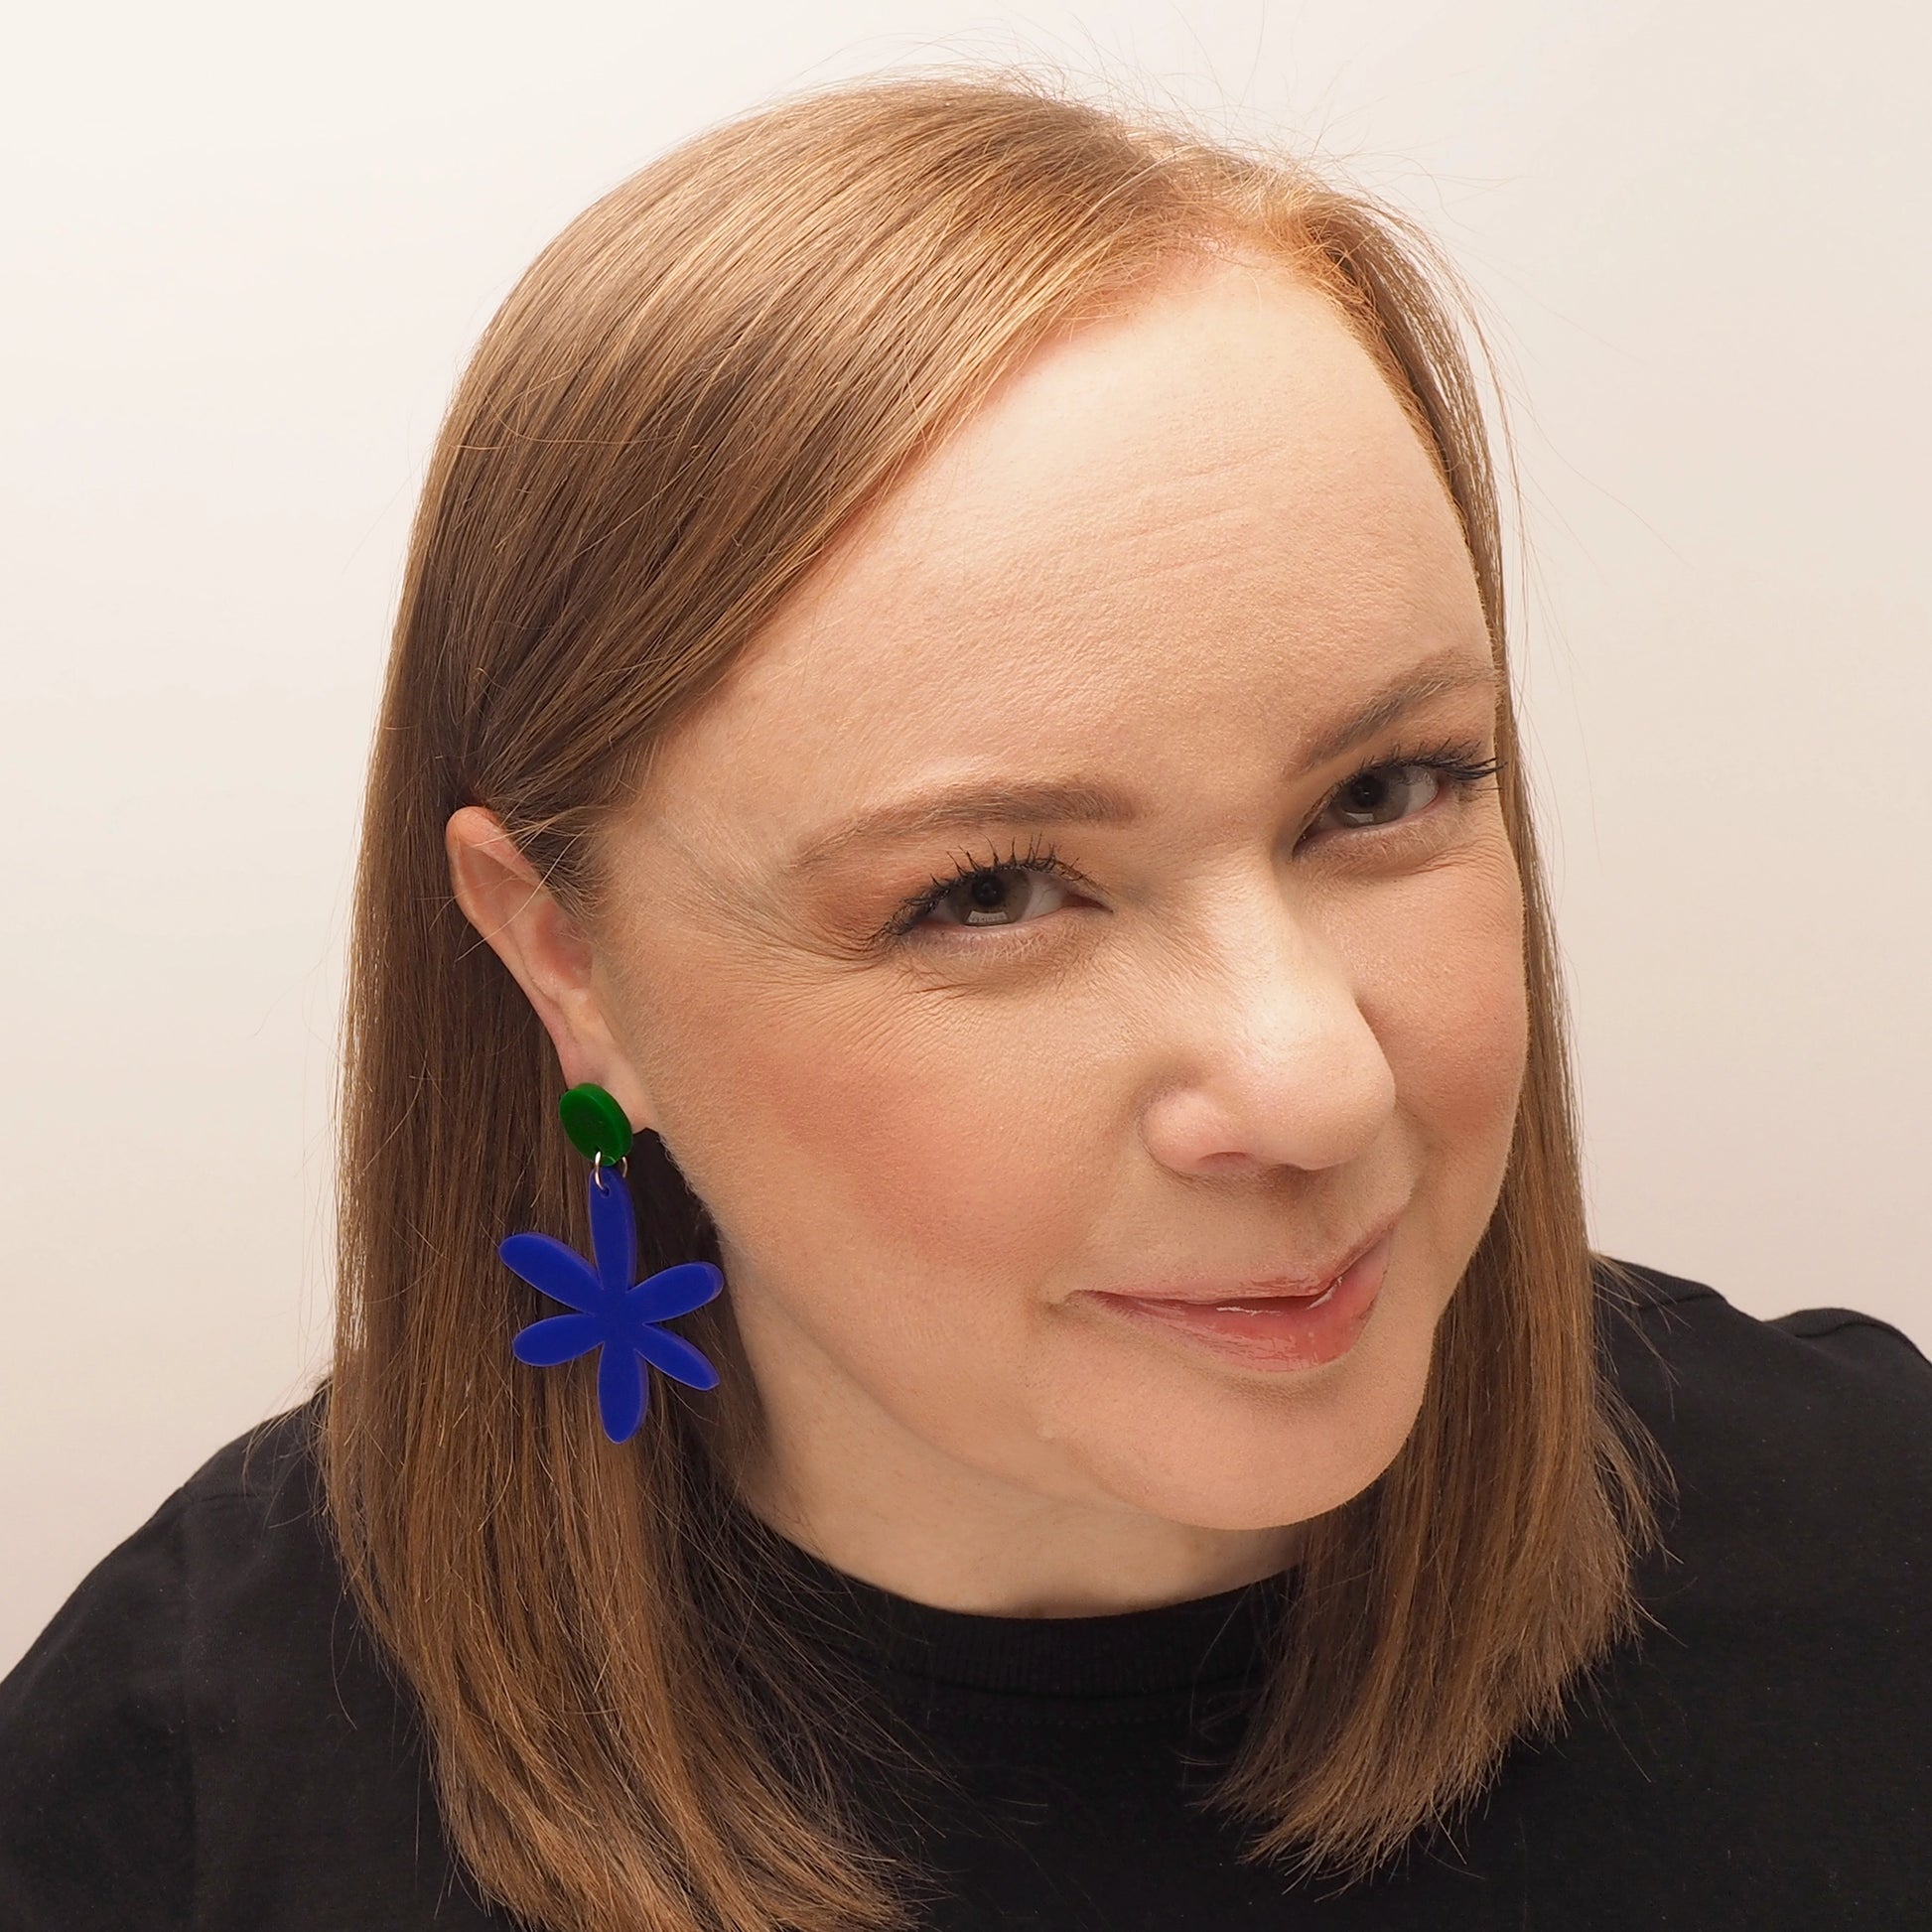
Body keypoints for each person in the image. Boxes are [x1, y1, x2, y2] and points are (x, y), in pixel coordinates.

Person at [1, 69, 1926, 1932]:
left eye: (1385, 788)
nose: (1310, 1080)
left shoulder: (1874, 1575)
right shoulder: (193, 1764)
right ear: (558, 959)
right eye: (990, 891)